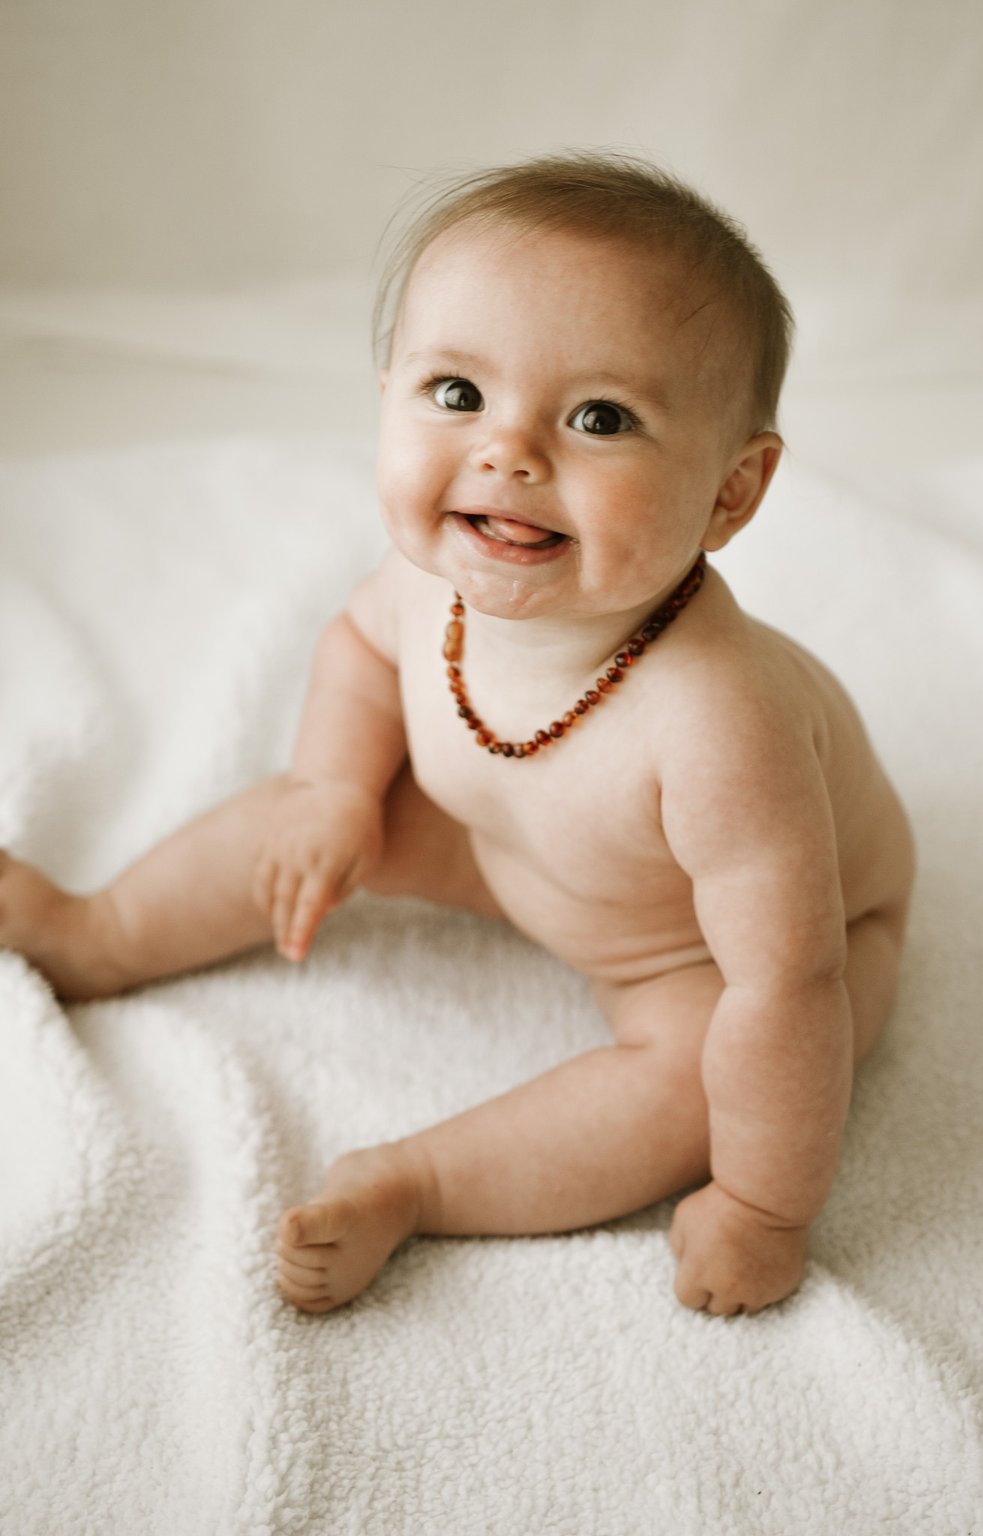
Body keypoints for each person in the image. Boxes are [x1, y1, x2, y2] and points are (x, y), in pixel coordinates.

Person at [0, 153, 915, 1317]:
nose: (509, 452)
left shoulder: (720, 723)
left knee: (705, 1074)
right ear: (387, 393)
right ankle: (98, 933)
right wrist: (335, 788)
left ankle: (417, 1184)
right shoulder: (428, 583)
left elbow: (788, 984)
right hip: (500, 839)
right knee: (312, 815)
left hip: (696, 948)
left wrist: (766, 1206)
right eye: (456, 394)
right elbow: (359, 649)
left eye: (600, 418)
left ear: (731, 493)